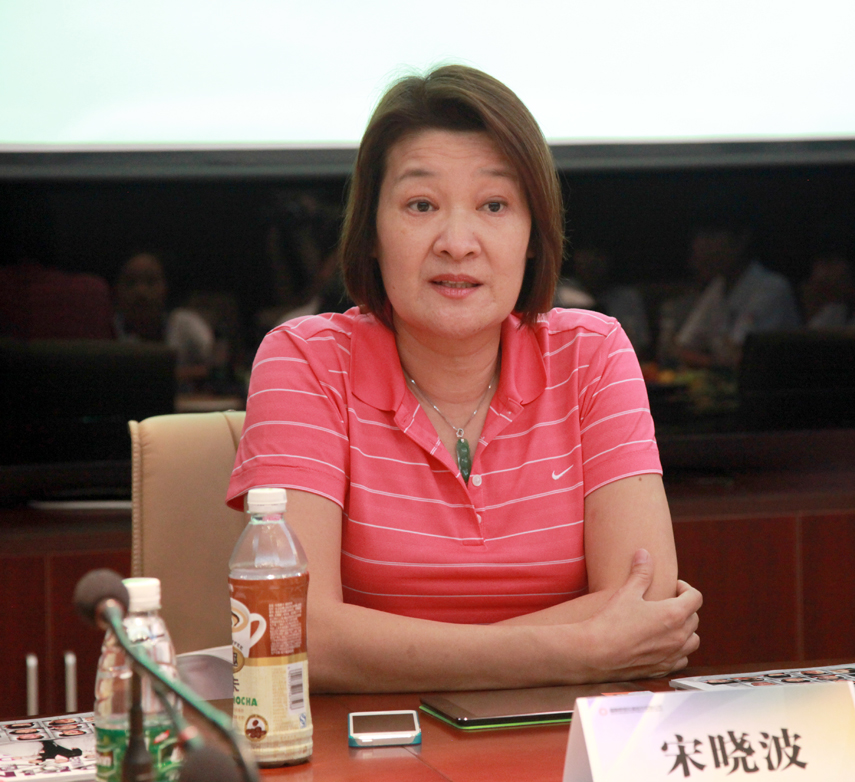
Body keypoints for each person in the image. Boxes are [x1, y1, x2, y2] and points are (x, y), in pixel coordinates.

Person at [226, 65, 701, 693]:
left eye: (494, 205)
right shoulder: (304, 360)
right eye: (421, 205)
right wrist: (579, 649)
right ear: (370, 233)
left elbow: (646, 602)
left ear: (533, 234)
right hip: (371, 740)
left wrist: (399, 653)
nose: (457, 242)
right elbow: (295, 629)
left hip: (570, 733)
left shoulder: (592, 353)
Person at [665, 221, 800, 368]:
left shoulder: (772, 288)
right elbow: (682, 347)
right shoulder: (718, 286)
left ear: (741, 239)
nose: (698, 246)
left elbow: (740, 361)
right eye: (698, 237)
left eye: (710, 236)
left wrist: (707, 361)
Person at [113, 250, 215, 387]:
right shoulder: (108, 328)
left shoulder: (185, 323)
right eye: (130, 282)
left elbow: (217, 367)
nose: (140, 292)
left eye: (151, 282)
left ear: (166, 287)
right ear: (116, 289)